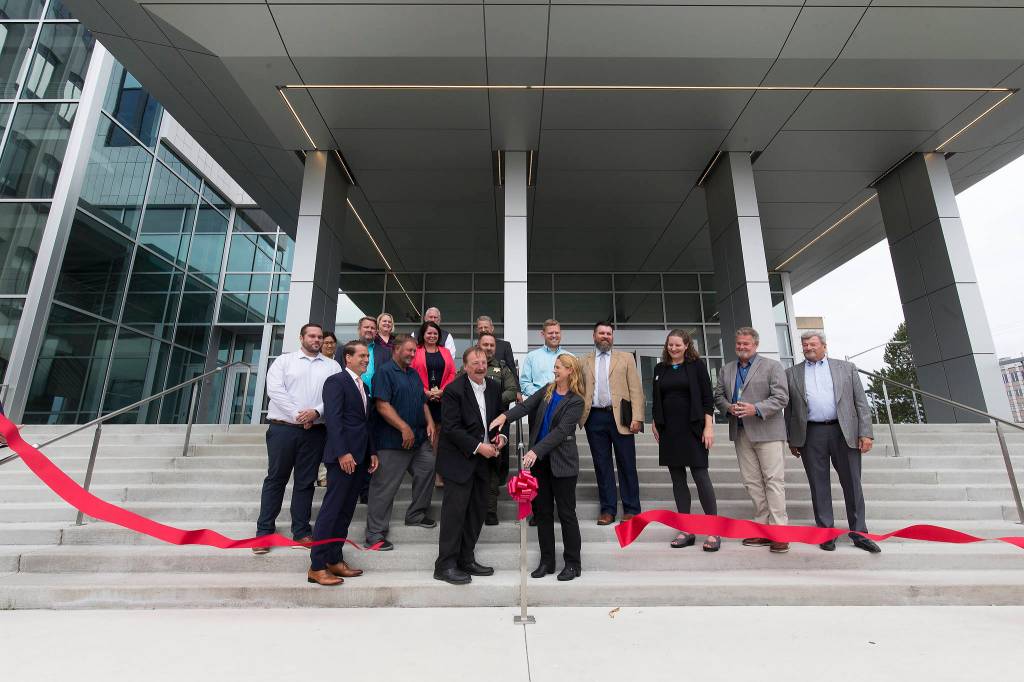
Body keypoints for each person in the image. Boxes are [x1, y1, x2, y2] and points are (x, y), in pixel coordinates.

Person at [491, 353, 585, 581]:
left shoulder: (576, 401)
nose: (555, 370)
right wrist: (505, 416)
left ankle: (573, 563)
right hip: (540, 464)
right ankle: (547, 561)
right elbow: (525, 407)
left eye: (559, 367)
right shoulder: (547, 390)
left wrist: (535, 450)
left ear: (569, 371)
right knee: (542, 514)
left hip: (562, 463)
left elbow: (561, 432)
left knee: (566, 514)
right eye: (555, 366)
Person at [786, 331, 880, 553]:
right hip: (811, 434)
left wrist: (865, 433)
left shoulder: (846, 368)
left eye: (812, 344)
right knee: (818, 485)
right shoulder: (791, 373)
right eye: (804, 344)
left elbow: (861, 402)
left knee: (852, 483)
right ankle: (826, 531)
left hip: (843, 432)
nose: (808, 347)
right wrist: (792, 438)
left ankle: (859, 532)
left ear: (824, 346)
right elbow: (789, 410)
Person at [253, 323, 340, 554]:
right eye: (311, 336)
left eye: (320, 337)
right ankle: (264, 532)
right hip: (284, 429)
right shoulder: (284, 361)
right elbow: (275, 391)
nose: (316, 340)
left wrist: (317, 412)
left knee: (305, 482)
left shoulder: (332, 366)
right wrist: (299, 415)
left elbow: (336, 395)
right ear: (301, 337)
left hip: (315, 431)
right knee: (276, 479)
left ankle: (301, 531)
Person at [307, 340, 380, 586]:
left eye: (367, 357)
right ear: (347, 358)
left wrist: (371, 452)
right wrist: (342, 453)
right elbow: (334, 420)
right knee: (331, 511)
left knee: (345, 512)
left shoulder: (364, 386)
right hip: (343, 458)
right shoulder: (336, 382)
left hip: (360, 458)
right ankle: (316, 566)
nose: (365, 360)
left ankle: (334, 560)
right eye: (361, 356)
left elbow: (364, 424)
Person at [434, 347, 507, 585]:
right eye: (475, 362)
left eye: (483, 362)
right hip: (460, 461)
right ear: (465, 366)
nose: (480, 366)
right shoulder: (454, 390)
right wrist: (479, 446)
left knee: (476, 513)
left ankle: (466, 558)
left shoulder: (495, 388)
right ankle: (444, 565)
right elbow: (452, 428)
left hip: (484, 462)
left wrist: (501, 438)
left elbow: (498, 420)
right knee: (454, 514)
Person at [713, 327, 791, 553]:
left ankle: (779, 533)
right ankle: (761, 529)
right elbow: (718, 396)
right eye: (739, 344)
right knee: (752, 483)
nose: (742, 347)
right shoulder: (727, 369)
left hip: (767, 431)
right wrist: (729, 408)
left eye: (746, 344)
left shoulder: (772, 366)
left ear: (755, 345)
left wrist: (755, 408)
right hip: (740, 432)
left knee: (773, 481)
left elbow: (781, 397)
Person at [365, 335, 438, 550]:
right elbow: (382, 405)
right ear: (396, 349)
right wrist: (403, 427)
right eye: (409, 350)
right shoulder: (385, 373)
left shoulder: (414, 374)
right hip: (392, 442)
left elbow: (422, 401)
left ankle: (416, 514)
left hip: (418, 440)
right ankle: (375, 535)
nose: (413, 355)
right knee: (384, 488)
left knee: (428, 468)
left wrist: (430, 422)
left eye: (415, 351)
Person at [652, 329, 719, 551]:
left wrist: (708, 427)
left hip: (693, 428)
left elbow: (707, 398)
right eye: (670, 345)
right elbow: (656, 397)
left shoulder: (697, 366)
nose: (673, 349)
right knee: (678, 481)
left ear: (687, 345)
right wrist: (655, 421)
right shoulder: (659, 368)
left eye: (678, 345)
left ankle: (713, 530)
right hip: (669, 430)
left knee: (701, 476)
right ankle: (686, 529)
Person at [580, 321, 645, 526]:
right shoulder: (583, 361)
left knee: (627, 464)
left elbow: (636, 389)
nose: (605, 336)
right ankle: (608, 510)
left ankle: (632, 509)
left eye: (609, 333)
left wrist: (638, 418)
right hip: (595, 418)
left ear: (612, 337)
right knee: (602, 466)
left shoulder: (626, 358)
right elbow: (579, 390)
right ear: (594, 336)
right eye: (601, 333)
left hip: (622, 418)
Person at [474, 332, 518, 525]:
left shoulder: (502, 368)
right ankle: (474, 508)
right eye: (485, 344)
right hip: (472, 425)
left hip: (495, 424)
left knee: (493, 467)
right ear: (479, 345)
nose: (489, 348)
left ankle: (490, 510)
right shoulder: (469, 366)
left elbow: (512, 390)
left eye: (492, 345)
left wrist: (492, 399)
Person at [412, 320, 456, 488]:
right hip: (422, 398)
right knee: (424, 434)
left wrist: (442, 391)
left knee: (438, 435)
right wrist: (426, 392)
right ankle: (422, 473)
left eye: (435, 333)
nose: (432, 336)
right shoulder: (416, 351)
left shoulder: (445, 352)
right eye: (429, 333)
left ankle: (437, 473)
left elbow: (452, 372)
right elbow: (412, 373)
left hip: (441, 399)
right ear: (423, 334)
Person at [520, 319, 573, 398]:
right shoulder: (531, 357)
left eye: (557, 333)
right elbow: (525, 383)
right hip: (538, 403)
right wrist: (542, 395)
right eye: (550, 333)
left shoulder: (571, 357)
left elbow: (575, 381)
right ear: (542, 334)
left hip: (563, 402)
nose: (554, 335)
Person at [476, 315, 520, 396]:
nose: (483, 330)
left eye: (486, 327)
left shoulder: (504, 345)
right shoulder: (473, 349)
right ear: (477, 330)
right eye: (480, 328)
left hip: (501, 393)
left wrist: (517, 391)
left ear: (492, 328)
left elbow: (512, 368)